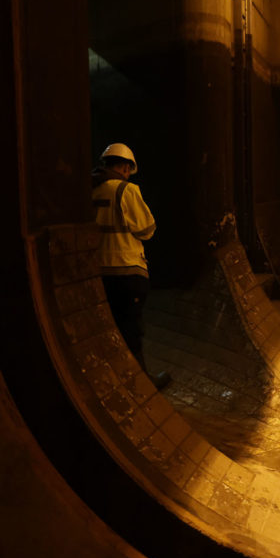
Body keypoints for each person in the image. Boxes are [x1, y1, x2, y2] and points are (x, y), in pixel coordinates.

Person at [91, 143, 170, 389]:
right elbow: (147, 230)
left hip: (101, 271)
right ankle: (140, 382)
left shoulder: (92, 190)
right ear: (126, 167)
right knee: (132, 329)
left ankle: (115, 378)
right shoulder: (127, 190)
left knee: (112, 326)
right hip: (128, 269)